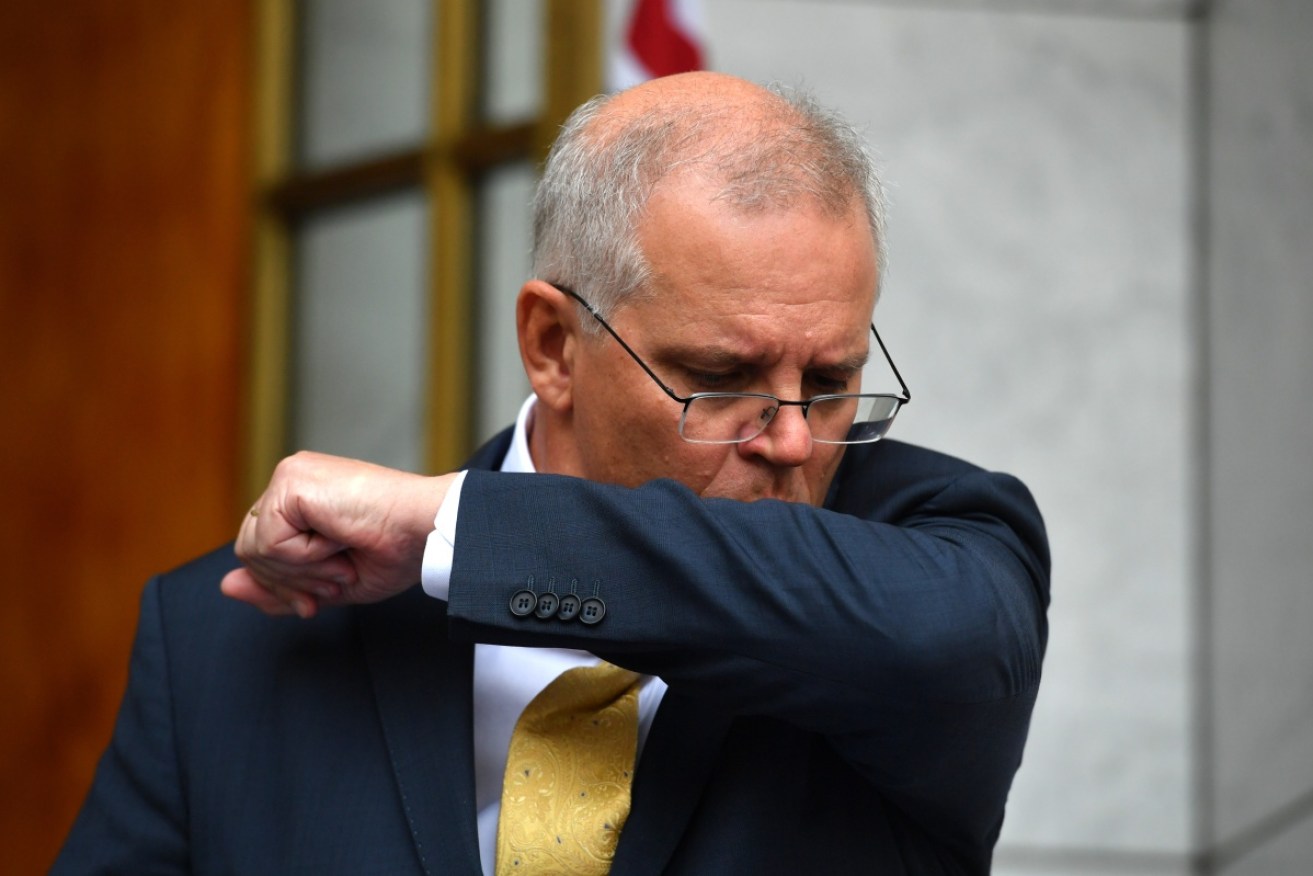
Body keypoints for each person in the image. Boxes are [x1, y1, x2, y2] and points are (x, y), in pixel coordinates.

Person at [55, 72, 1049, 875]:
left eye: (829, 381)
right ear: (551, 345)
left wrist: (457, 529)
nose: (792, 441)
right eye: (719, 378)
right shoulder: (220, 647)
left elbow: (950, 643)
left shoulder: (926, 545)